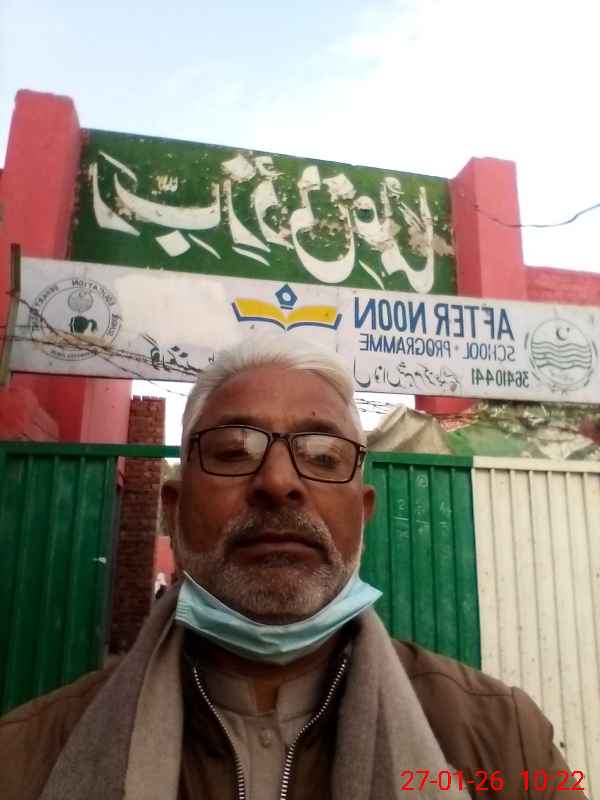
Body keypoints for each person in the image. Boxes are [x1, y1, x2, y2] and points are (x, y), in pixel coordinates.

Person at [0, 335, 583, 800]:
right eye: (233, 451)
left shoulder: (502, 743)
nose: (278, 482)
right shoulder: (25, 758)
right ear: (173, 511)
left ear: (363, 512)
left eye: (322, 456)